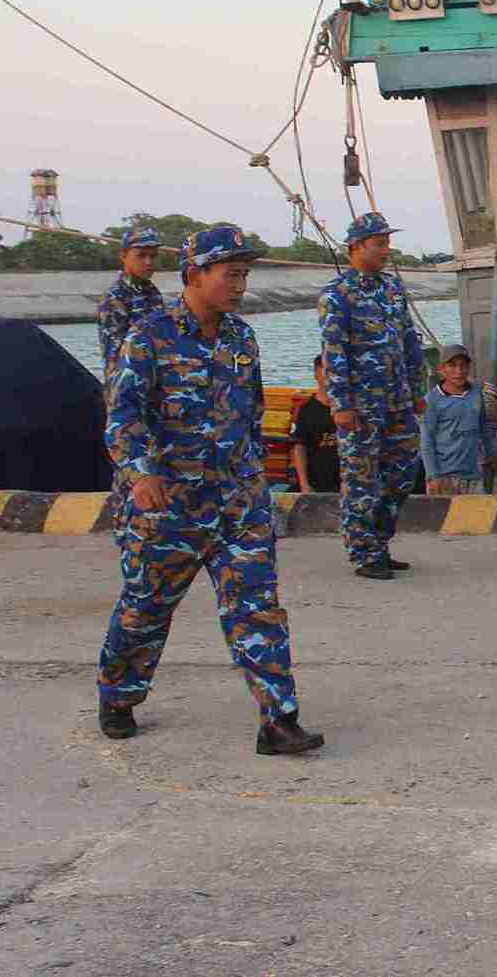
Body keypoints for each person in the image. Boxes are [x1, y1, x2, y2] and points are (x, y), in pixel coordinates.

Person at [96, 226, 322, 755]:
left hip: (238, 503)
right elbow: (122, 416)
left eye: (244, 274)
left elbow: (251, 412)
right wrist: (141, 474)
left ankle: (279, 719)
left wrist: (257, 482)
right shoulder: (148, 337)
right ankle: (118, 695)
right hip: (168, 506)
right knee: (146, 609)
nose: (241, 285)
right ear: (195, 274)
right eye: (231, 274)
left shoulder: (242, 338)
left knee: (258, 607)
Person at [320, 212, 427, 581]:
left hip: (398, 400)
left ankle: (379, 542)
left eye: (387, 242)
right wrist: (341, 404)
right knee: (362, 479)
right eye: (379, 243)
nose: (386, 250)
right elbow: (333, 351)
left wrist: (417, 389)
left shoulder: (392, 288)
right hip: (362, 405)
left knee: (403, 473)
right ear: (356, 246)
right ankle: (364, 552)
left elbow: (409, 341)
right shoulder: (337, 294)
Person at [421, 344, 497, 494]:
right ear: (441, 369)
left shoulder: (476, 393)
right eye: (452, 365)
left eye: (463, 365)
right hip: (444, 477)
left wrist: (494, 454)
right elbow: (426, 441)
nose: (459, 371)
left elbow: (484, 427)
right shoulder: (431, 400)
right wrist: (433, 476)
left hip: (474, 475)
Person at [96, 225, 164, 380]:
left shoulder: (153, 292)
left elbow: (171, 327)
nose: (149, 262)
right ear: (123, 256)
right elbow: (116, 355)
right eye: (141, 256)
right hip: (129, 381)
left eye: (153, 256)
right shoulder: (114, 299)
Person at [290, 355, 340, 494]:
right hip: (317, 483)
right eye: (325, 371)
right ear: (315, 374)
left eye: (333, 372)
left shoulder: (351, 410)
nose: (329, 376)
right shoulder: (306, 410)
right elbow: (299, 448)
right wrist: (304, 484)